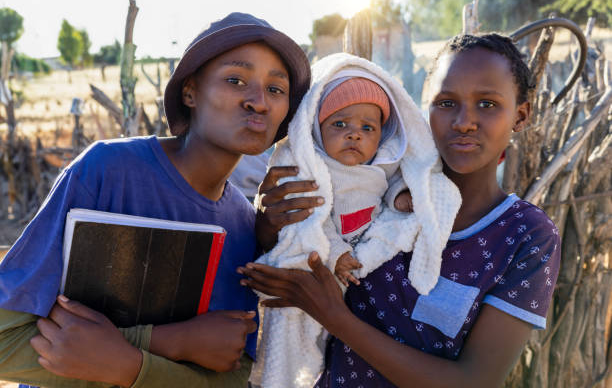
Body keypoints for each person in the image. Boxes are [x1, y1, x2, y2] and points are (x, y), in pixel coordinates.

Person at [0, 12, 310, 387]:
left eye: (276, 89)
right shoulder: (108, 172)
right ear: (189, 92)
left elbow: (228, 377)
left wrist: (127, 362)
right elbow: (6, 344)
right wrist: (164, 344)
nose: (259, 102)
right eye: (235, 80)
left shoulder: (244, 228)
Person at [239, 33, 561, 387]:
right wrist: (270, 228)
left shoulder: (524, 235)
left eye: (487, 104)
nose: (464, 121)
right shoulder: (369, 184)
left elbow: (475, 381)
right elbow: (293, 260)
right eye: (446, 103)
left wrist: (335, 317)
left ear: (521, 114)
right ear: (423, 107)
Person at [251, 54, 461, 388]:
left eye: (367, 128)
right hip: (327, 261)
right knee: (300, 339)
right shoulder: (315, 169)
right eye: (339, 124)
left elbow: (399, 182)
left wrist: (401, 199)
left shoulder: (383, 163)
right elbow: (314, 223)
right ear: (316, 131)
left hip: (366, 256)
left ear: (382, 135)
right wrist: (334, 255)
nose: (354, 136)